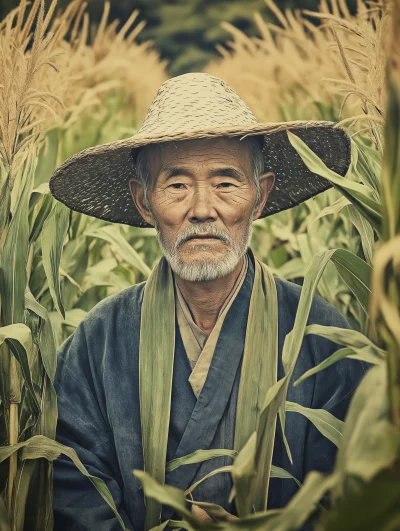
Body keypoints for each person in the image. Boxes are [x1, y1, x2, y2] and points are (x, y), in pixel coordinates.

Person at [49, 73, 367, 531]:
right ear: (144, 202)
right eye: (176, 186)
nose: (202, 208)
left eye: (226, 183)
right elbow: (74, 489)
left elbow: (352, 499)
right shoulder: (98, 343)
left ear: (260, 196)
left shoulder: (321, 337)